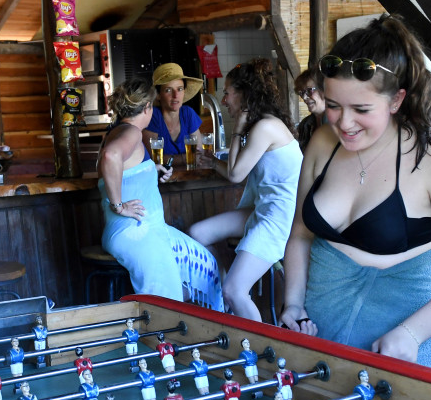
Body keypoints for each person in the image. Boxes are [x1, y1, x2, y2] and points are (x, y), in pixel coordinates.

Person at [280, 14, 431, 372]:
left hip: (405, 349)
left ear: (397, 100)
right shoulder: (323, 141)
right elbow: (300, 235)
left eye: (361, 109)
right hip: (318, 341)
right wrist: (293, 303)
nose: (344, 123)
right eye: (333, 105)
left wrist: (412, 334)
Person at [189, 59, 302, 321]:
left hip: (280, 218)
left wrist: (237, 131)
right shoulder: (262, 125)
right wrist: (214, 162)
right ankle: (224, 293)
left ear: (244, 94)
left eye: (227, 93)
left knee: (235, 290)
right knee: (198, 233)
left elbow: (235, 175)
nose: (224, 100)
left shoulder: (265, 127)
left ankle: (254, 333)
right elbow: (239, 173)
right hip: (263, 210)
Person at [97, 77, 223, 310]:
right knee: (166, 304)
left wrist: (151, 170)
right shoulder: (132, 133)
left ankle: (190, 321)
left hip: (147, 229)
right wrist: (119, 206)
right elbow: (110, 156)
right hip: (136, 232)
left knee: (206, 266)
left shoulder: (119, 131)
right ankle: (171, 331)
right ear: (147, 107)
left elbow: (126, 171)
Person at [143, 62, 204, 156]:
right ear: (158, 95)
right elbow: (154, 158)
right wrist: (184, 158)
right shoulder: (152, 116)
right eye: (168, 90)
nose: (176, 95)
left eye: (180, 89)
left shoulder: (188, 113)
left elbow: (199, 152)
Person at [294, 64, 326, 151]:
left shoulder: (338, 123)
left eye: (309, 90)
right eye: (301, 93)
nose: (304, 98)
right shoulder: (305, 125)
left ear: (324, 89)